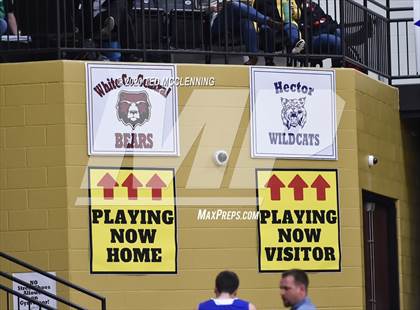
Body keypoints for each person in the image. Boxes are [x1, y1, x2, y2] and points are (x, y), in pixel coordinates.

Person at [210, 0, 282, 65]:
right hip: (219, 21)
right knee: (231, 4)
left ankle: (253, 56)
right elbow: (201, 8)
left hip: (236, 20)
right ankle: (267, 21)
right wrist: (212, 8)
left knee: (247, 22)